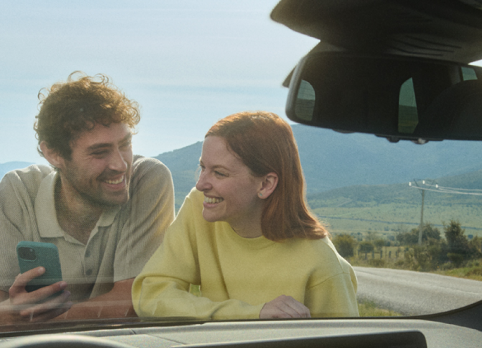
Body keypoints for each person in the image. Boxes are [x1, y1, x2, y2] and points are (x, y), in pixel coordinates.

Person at [0, 73, 174, 327]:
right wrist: (9, 311)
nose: (121, 165)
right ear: (53, 154)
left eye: (125, 144)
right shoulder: (19, 190)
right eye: (100, 152)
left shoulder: (147, 179)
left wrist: (23, 319)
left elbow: (132, 302)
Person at [134, 111, 358, 319]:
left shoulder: (322, 265)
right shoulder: (199, 206)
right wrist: (252, 315)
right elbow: (151, 294)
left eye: (219, 173)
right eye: (202, 167)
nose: (201, 184)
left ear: (266, 184)